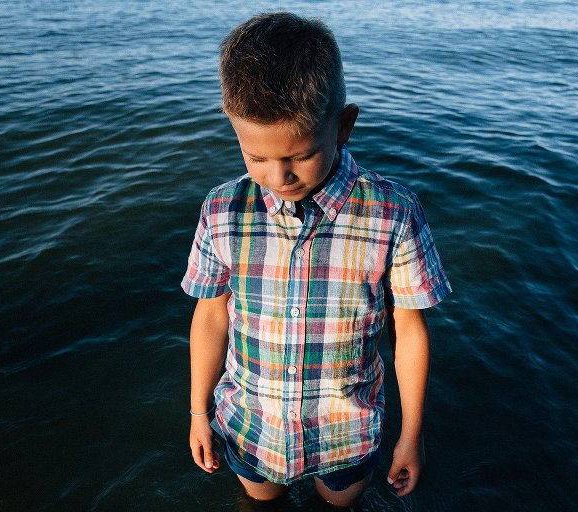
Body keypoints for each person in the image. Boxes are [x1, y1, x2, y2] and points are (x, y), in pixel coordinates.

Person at [181, 12, 451, 508]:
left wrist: (411, 435)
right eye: (256, 157)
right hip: (251, 423)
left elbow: (409, 330)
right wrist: (199, 412)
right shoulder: (222, 209)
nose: (279, 177)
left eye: (300, 155)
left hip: (347, 431)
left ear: (343, 125)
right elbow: (211, 314)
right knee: (260, 504)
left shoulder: (394, 212)